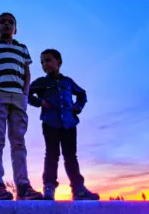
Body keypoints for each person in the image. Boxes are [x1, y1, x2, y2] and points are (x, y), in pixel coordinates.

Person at [0, 12, 43, 201]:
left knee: (18, 142)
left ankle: (23, 186)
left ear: (15, 29)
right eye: (2, 22)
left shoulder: (22, 48)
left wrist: (25, 93)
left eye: (10, 22)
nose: (6, 24)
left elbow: (27, 72)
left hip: (18, 97)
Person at [28, 49, 99, 200]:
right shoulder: (41, 82)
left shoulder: (68, 82)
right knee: (52, 155)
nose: (44, 64)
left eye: (48, 60)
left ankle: (78, 189)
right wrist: (40, 101)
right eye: (42, 62)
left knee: (71, 156)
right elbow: (26, 93)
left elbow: (82, 94)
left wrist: (77, 107)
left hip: (69, 124)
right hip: (50, 123)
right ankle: (49, 187)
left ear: (58, 62)